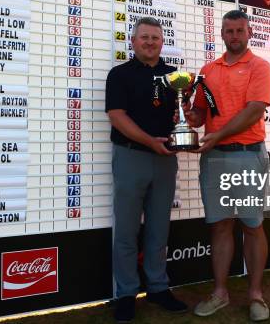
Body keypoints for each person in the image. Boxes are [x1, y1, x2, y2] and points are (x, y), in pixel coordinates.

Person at [184, 10, 270, 321]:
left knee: (252, 225)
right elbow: (198, 115)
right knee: (221, 225)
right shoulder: (208, 70)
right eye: (229, 31)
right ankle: (220, 292)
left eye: (239, 30)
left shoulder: (259, 66)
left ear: (249, 33)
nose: (234, 36)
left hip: (248, 154)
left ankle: (256, 295)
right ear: (221, 34)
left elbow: (254, 111)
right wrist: (189, 113)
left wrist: (218, 133)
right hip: (215, 157)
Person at [105, 17, 188, 322]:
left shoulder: (176, 76)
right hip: (131, 157)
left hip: (166, 159)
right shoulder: (119, 75)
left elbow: (186, 115)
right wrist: (148, 141)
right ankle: (126, 293)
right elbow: (117, 116)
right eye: (144, 37)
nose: (150, 42)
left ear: (162, 42)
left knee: (158, 228)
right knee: (127, 230)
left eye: (155, 37)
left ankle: (157, 287)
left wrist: (190, 116)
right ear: (133, 41)